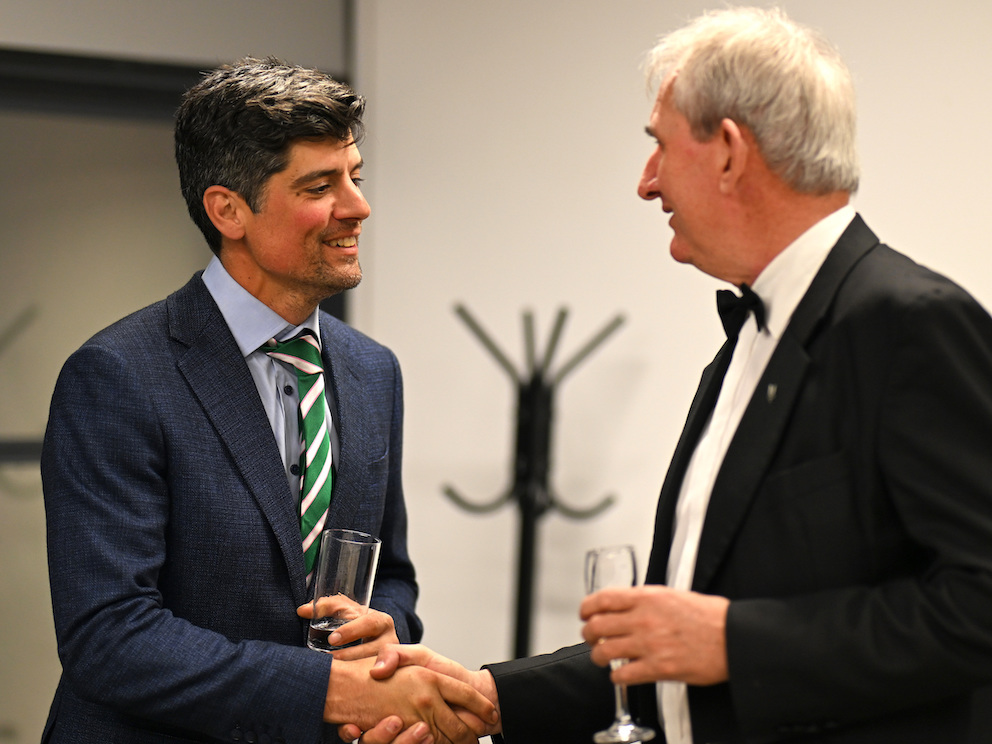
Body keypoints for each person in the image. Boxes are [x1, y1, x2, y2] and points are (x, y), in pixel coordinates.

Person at [347, 7, 992, 743]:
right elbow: (677, 644)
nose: (646, 183)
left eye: (658, 146)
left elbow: (979, 603)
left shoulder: (907, 321)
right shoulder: (740, 351)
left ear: (727, 151)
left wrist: (735, 642)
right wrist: (492, 694)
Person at [41, 57, 495, 744]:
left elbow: (391, 576)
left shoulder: (373, 371)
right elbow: (110, 637)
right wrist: (332, 692)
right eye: (321, 186)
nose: (358, 207)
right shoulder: (116, 376)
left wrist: (387, 637)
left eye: (356, 178)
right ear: (228, 210)